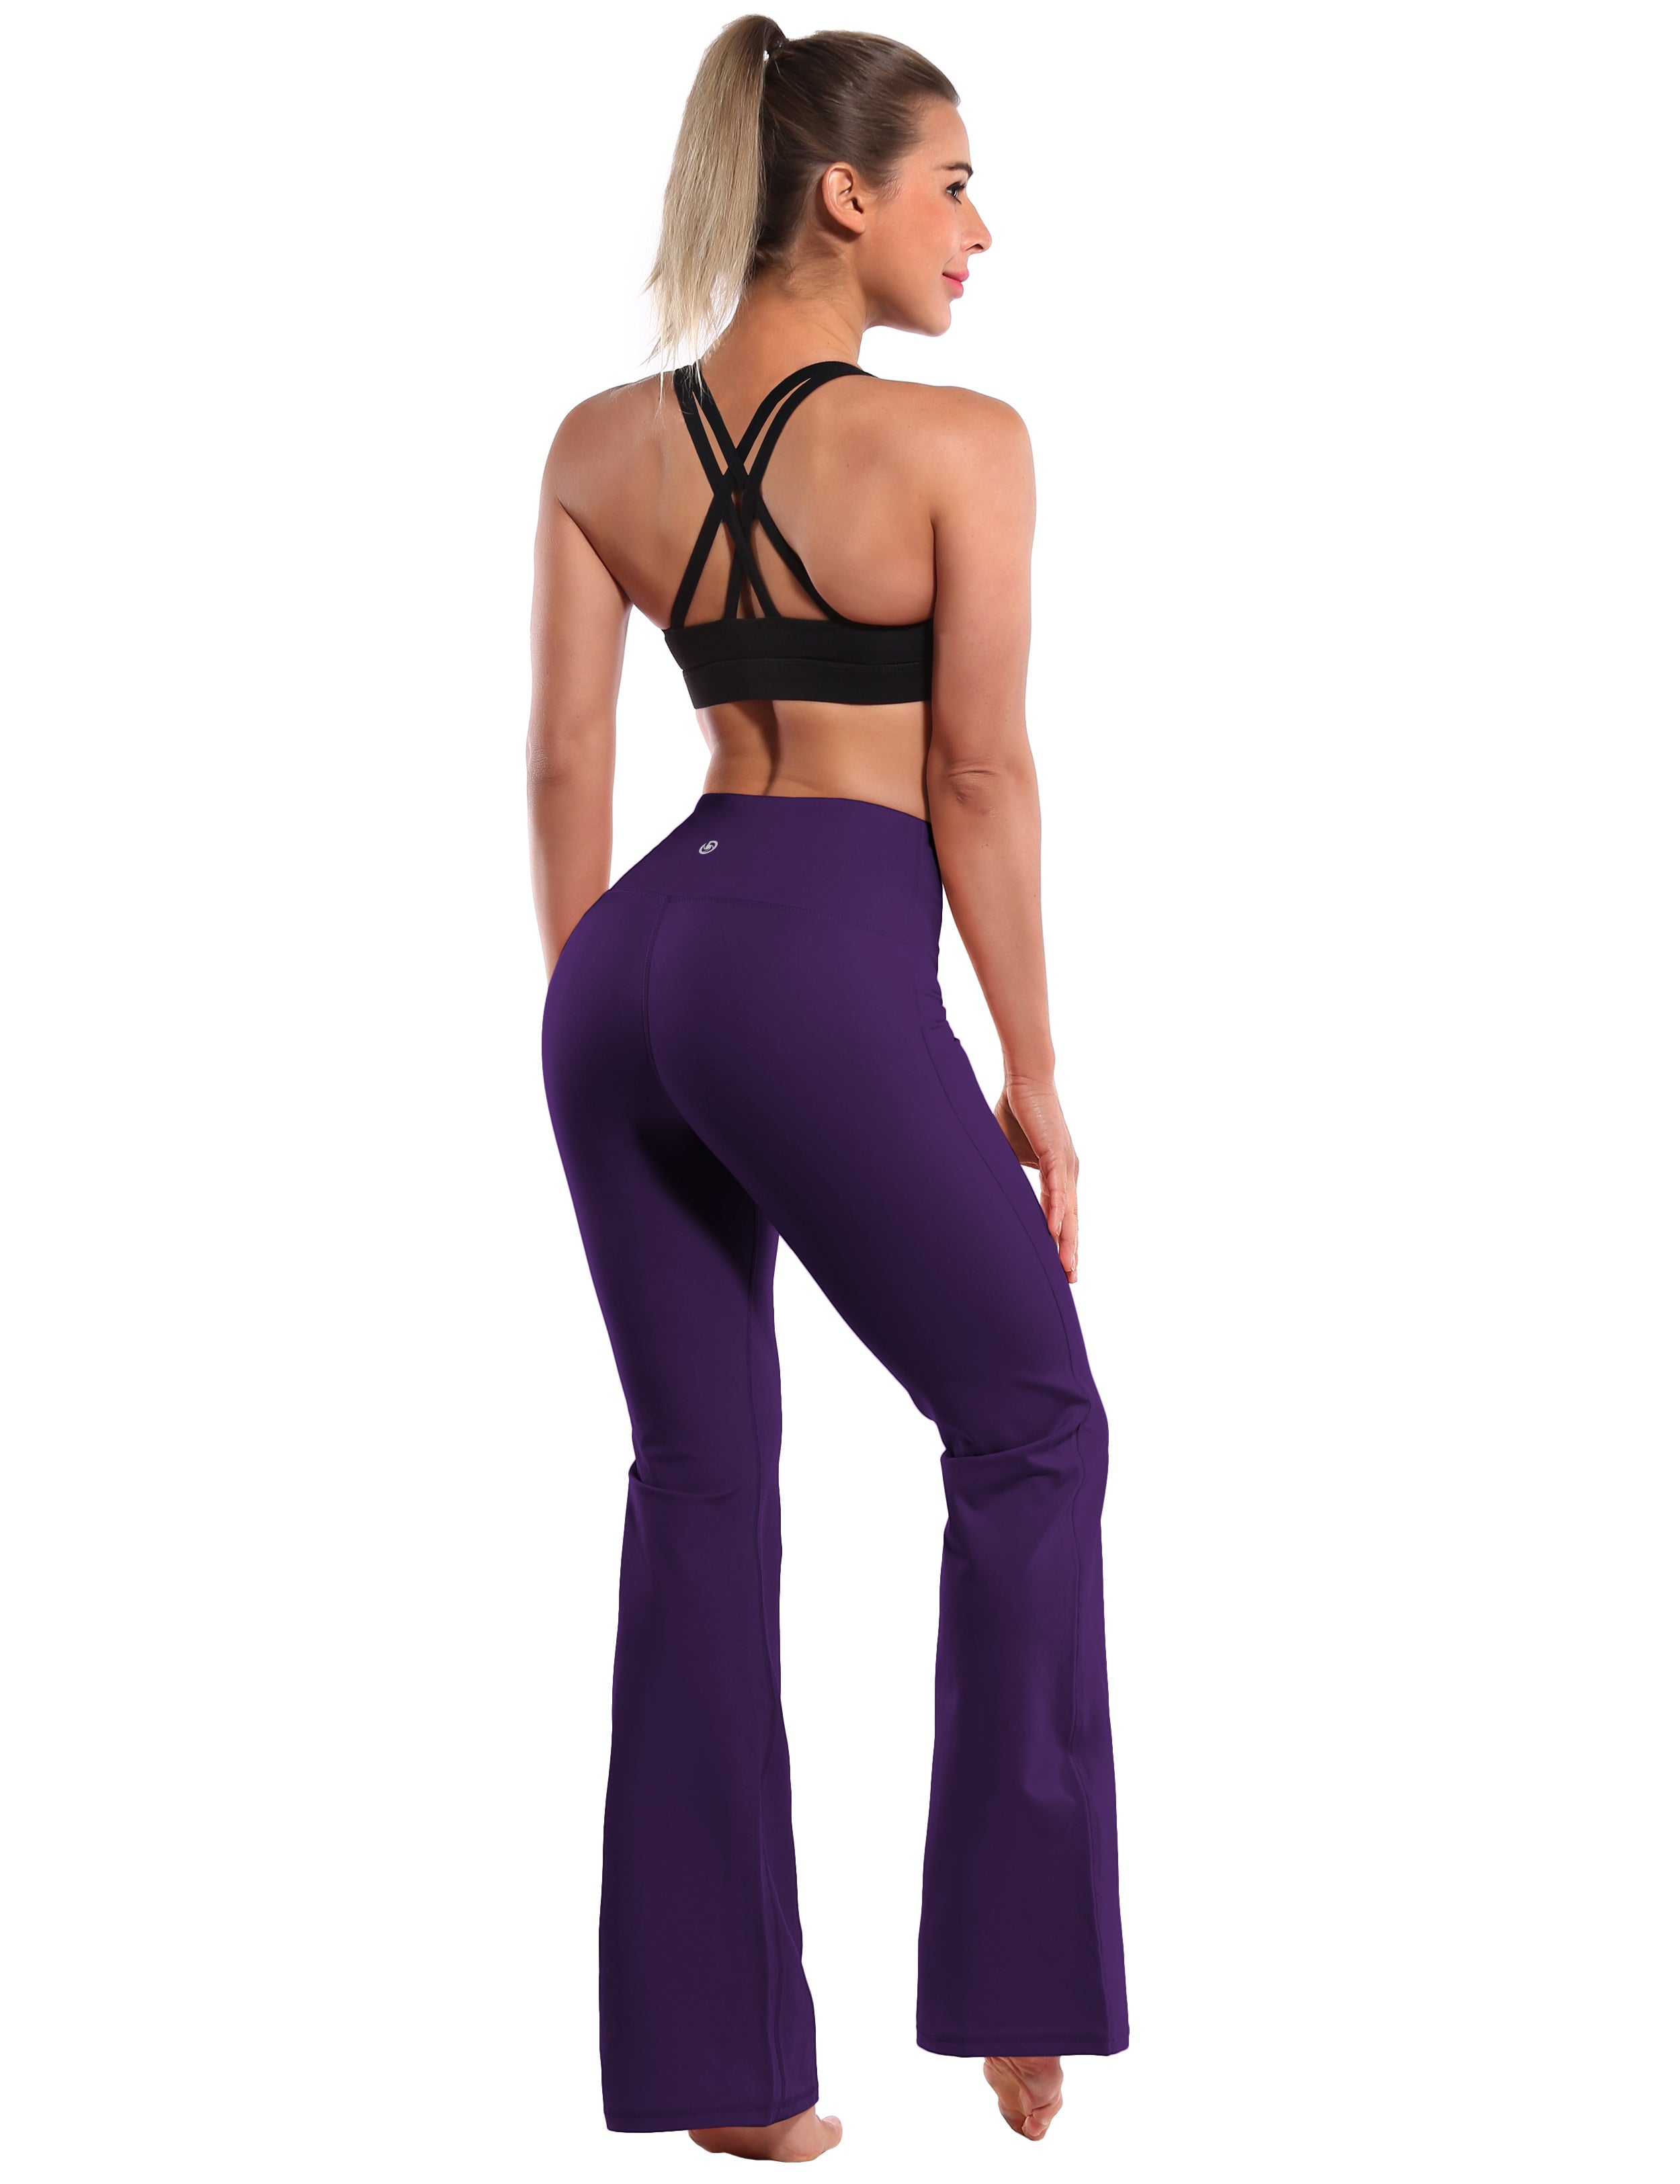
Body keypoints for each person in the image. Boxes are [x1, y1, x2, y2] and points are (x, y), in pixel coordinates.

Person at [528, 16, 1128, 2158]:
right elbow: (974, 773)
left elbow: (563, 762)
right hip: (810, 948)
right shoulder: (958, 444)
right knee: (1032, 1423)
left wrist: (613, 1007)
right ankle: (1018, 1986)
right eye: (952, 182)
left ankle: (730, 2077)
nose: (979, 228)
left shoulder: (601, 444)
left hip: (626, 967)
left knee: (698, 1477)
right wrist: (1028, 1070)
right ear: (845, 193)